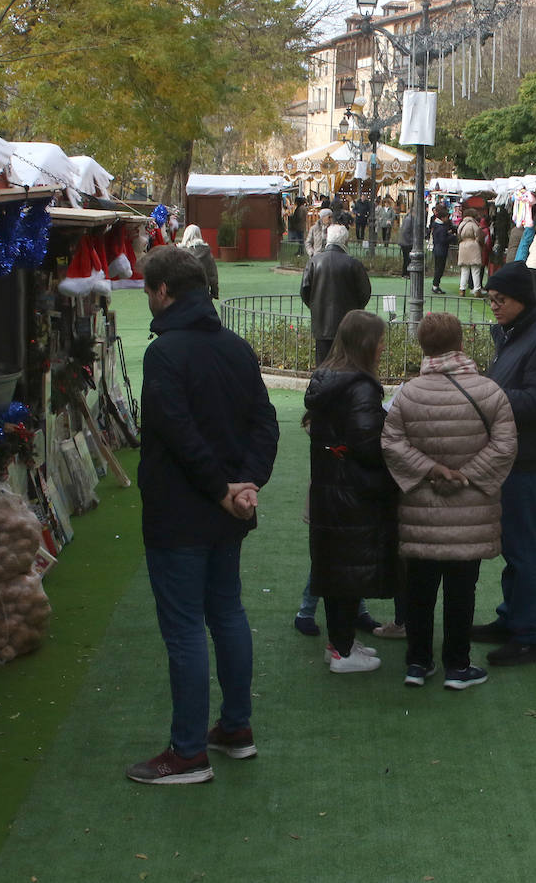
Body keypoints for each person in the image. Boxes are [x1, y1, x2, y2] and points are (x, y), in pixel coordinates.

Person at [126, 245, 279, 785]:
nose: (147, 299)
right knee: (226, 614)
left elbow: (177, 431)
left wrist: (226, 489)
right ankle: (235, 728)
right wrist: (246, 486)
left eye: (148, 290)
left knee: (188, 628)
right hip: (226, 510)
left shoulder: (166, 354)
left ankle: (188, 752)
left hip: (183, 512)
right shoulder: (235, 348)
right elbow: (265, 423)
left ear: (164, 292)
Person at [382, 313, 517, 690]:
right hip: (470, 508)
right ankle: (457, 665)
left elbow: (391, 443)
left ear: (422, 347)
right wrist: (467, 474)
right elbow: (505, 446)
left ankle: (417, 662)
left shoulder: (408, 393)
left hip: (421, 509)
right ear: (461, 343)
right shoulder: (489, 392)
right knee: (462, 589)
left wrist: (431, 470)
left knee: (420, 589)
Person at [471, 261, 536, 666]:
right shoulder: (519, 332)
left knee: (524, 548)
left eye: (501, 300)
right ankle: (513, 620)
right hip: (512, 452)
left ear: (521, 300)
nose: (494, 306)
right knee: (516, 545)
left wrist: (487, 397)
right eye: (491, 299)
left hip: (524, 456)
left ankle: (530, 636)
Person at [305, 310, 399, 673]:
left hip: (332, 489)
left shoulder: (330, 379)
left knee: (337, 569)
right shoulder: (359, 387)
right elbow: (367, 444)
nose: (382, 348)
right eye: (378, 341)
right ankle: (342, 650)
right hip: (352, 492)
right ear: (366, 344)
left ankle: (339, 643)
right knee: (348, 571)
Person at [301, 223, 371, 366]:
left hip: (321, 323)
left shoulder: (314, 262)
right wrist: (355, 309)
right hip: (348, 323)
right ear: (345, 241)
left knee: (322, 366)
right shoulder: (354, 264)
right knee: (347, 365)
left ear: (328, 239)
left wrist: (316, 307)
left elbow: (305, 291)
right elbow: (365, 293)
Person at [177, 224, 219, 299]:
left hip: (182, 292)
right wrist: (214, 291)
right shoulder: (206, 253)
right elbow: (212, 274)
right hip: (202, 291)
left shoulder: (179, 253)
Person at [456, 209, 485, 297]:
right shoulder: (474, 224)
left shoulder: (461, 224)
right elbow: (479, 236)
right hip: (473, 246)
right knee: (475, 270)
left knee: (464, 270)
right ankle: (477, 290)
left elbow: (458, 235)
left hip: (463, 246)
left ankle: (462, 289)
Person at [429, 205, 455, 295]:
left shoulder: (436, 225)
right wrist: (452, 236)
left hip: (437, 249)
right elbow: (443, 240)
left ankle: (435, 285)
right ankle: (435, 285)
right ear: (443, 218)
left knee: (438, 268)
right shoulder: (441, 227)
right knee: (439, 269)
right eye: (446, 218)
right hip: (441, 250)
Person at [399, 207, 417, 277]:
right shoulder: (409, 219)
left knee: (407, 258)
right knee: (407, 258)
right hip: (406, 242)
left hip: (406, 241)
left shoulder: (410, 218)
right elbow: (405, 232)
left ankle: (406, 273)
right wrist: (411, 241)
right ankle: (405, 273)